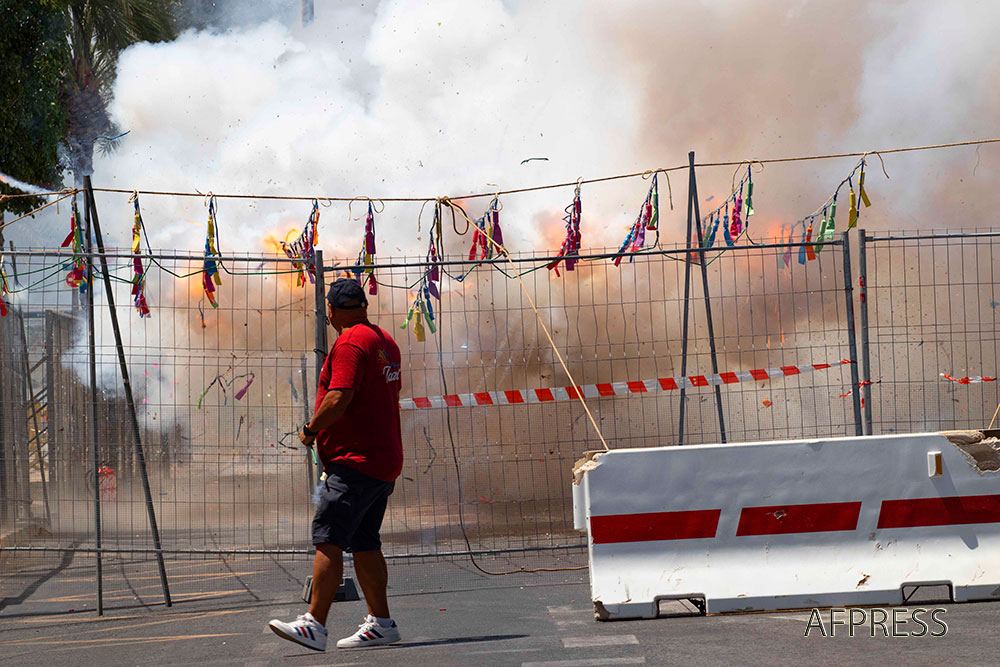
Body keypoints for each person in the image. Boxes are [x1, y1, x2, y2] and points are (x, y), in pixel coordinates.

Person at [268, 278, 403, 651]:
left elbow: (339, 398)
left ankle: (315, 623)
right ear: (362, 305)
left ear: (330, 310)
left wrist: (310, 430)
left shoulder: (349, 343)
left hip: (355, 462)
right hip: (382, 459)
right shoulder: (384, 341)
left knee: (328, 536)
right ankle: (382, 623)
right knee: (364, 542)